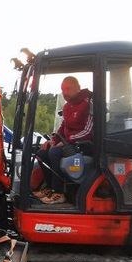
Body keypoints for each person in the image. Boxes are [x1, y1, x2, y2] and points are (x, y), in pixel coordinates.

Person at [34, 76, 93, 204]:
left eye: (68, 89)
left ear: (78, 88)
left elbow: (89, 131)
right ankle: (49, 188)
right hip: (67, 143)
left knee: (54, 153)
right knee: (41, 153)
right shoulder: (67, 107)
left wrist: (68, 141)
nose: (65, 93)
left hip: (83, 145)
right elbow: (63, 127)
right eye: (63, 90)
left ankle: (59, 192)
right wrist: (53, 141)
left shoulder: (88, 103)